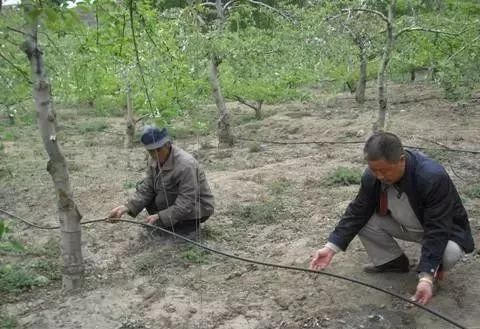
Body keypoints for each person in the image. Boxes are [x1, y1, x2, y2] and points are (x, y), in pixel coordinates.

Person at [310, 132, 474, 305]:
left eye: (384, 170)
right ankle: (392, 262)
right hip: (409, 224)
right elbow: (357, 211)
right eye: (374, 170)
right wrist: (330, 248)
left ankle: (432, 275)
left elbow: (438, 228)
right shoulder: (372, 176)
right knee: (364, 221)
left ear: (401, 160)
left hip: (443, 231)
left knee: (449, 253)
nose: (379, 176)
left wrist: (426, 275)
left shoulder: (431, 177)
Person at [109, 125, 215, 239]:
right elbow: (147, 188)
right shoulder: (153, 160)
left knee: (178, 231)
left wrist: (161, 216)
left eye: (158, 150)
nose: (155, 155)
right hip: (173, 201)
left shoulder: (186, 165)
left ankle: (186, 229)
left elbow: (187, 200)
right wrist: (127, 207)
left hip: (197, 207)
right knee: (147, 192)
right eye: (150, 151)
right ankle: (168, 224)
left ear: (168, 144)